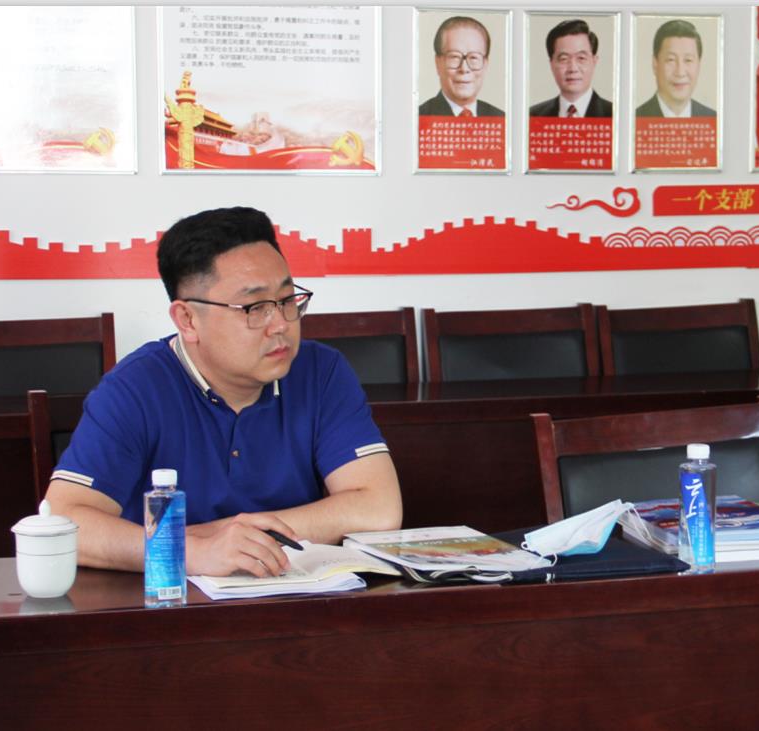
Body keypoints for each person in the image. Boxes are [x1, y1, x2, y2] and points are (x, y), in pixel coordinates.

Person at [45, 207, 403, 578]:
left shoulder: (321, 371)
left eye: (286, 300)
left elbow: (378, 508)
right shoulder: (134, 389)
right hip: (171, 601)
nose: (280, 325)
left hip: (294, 596)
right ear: (188, 320)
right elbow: (64, 522)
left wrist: (232, 536)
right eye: (255, 307)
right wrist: (193, 552)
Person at [419, 16, 504, 117]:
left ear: (485, 64)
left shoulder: (501, 118)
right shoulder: (419, 117)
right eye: (454, 57)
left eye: (473, 57)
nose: (464, 69)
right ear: (438, 63)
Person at [529, 19, 612, 118]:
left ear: (594, 62)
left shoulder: (616, 114)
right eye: (564, 59)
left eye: (581, 58)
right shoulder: (532, 116)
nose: (573, 68)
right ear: (551, 64)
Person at [636, 19, 716, 118]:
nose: (680, 72)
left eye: (688, 60)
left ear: (699, 65)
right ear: (655, 64)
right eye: (671, 60)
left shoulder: (713, 119)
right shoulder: (635, 118)